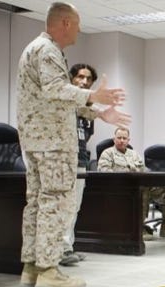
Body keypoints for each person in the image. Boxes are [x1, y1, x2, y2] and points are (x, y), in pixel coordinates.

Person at [18, 2, 130, 287]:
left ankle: (31, 269)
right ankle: (48, 271)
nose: (80, 30)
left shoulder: (36, 48)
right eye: (78, 24)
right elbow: (57, 89)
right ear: (65, 23)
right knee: (55, 204)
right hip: (53, 144)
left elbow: (56, 99)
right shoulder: (48, 51)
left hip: (38, 141)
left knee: (38, 204)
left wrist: (99, 113)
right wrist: (94, 94)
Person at [98, 127, 165, 240]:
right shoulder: (108, 153)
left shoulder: (134, 154)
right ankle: (139, 228)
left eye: (124, 138)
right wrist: (126, 174)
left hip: (138, 186)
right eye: (119, 138)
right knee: (142, 189)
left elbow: (145, 171)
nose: (122, 140)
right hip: (120, 188)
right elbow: (104, 172)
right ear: (114, 139)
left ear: (128, 140)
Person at [60, 63, 98, 266]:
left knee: (74, 206)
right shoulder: (66, 100)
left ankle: (68, 247)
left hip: (80, 159)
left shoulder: (87, 108)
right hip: (64, 161)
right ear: (71, 78)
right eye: (80, 77)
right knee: (64, 206)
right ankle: (61, 249)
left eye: (89, 79)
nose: (84, 82)